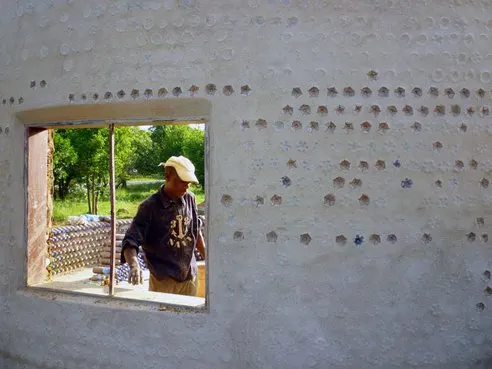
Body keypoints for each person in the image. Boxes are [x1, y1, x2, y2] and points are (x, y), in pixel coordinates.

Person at [121, 155, 206, 296]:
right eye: (182, 182)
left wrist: (207, 257)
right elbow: (131, 240)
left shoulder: (190, 198)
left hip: (189, 275)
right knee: (164, 317)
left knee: (190, 317)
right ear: (167, 177)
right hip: (163, 280)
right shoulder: (149, 207)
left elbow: (195, 231)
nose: (186, 186)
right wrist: (134, 266)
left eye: (189, 183)